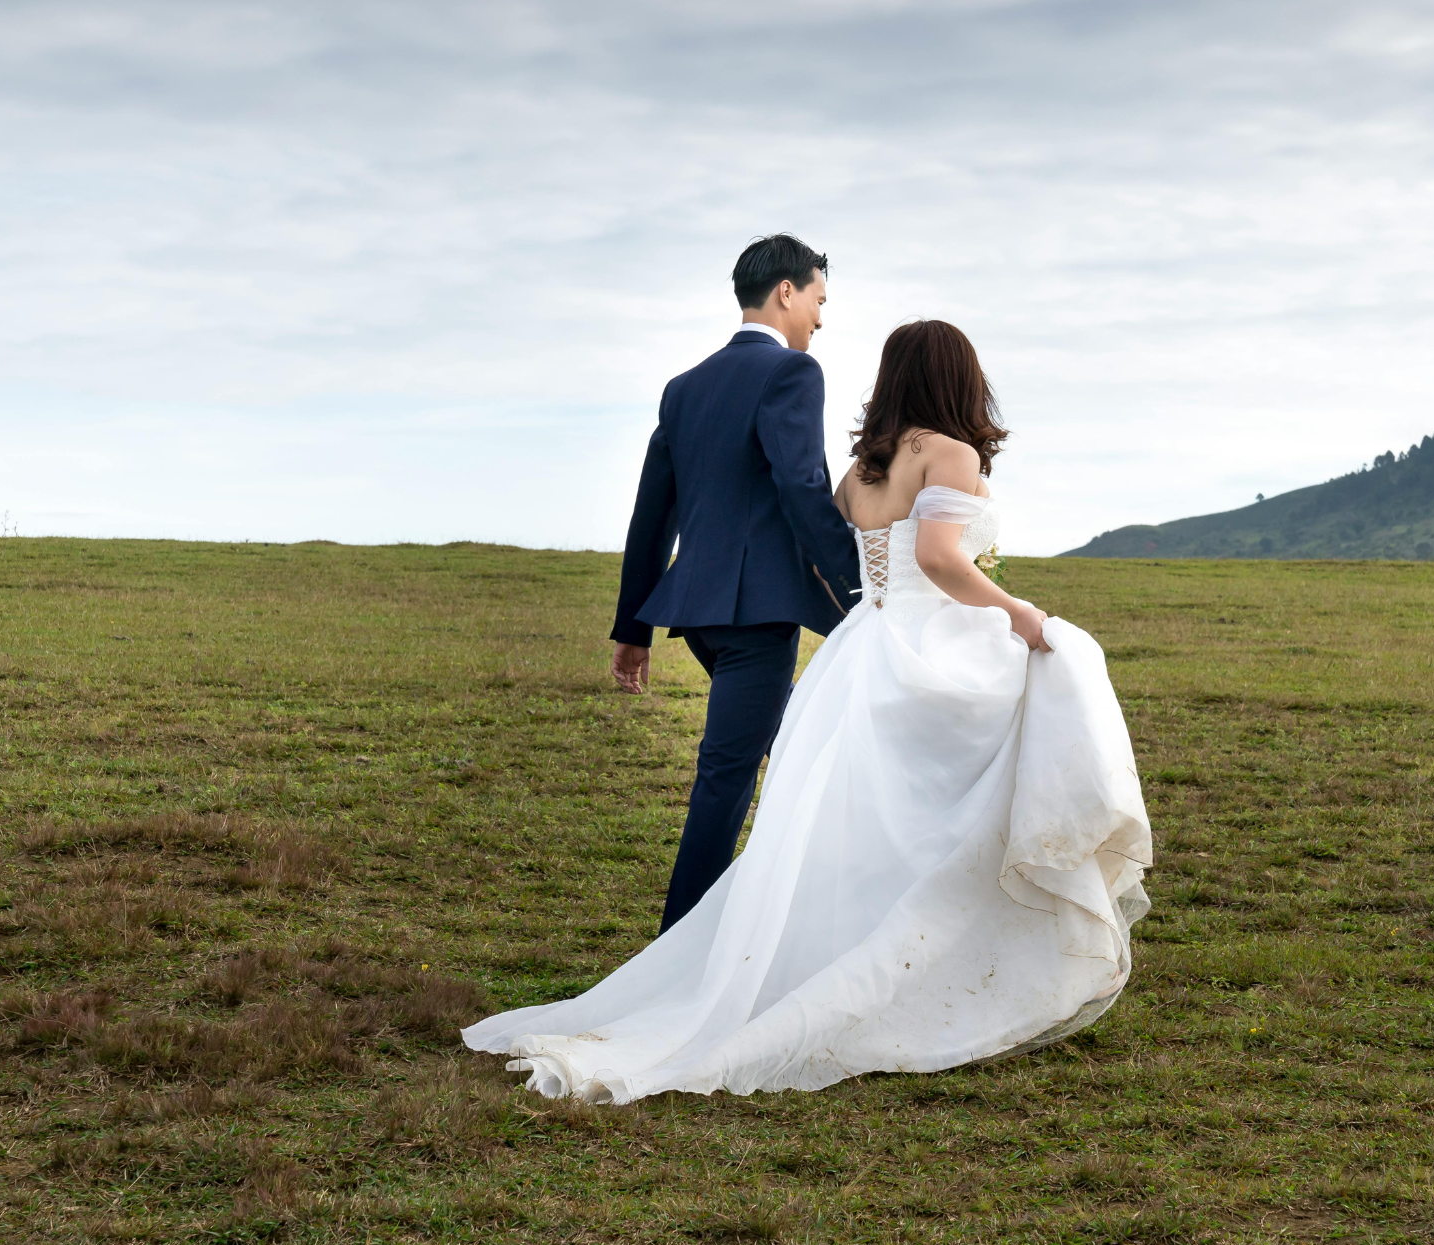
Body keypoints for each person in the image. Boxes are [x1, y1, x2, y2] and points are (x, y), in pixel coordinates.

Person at [464, 318, 1154, 1103]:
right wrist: (1015, 612)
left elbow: (832, 556)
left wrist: (879, 611)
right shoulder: (951, 453)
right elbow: (936, 556)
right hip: (936, 640)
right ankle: (966, 952)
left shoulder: (862, 471)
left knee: (866, 820)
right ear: (960, 378)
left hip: (866, 643)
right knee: (1052, 679)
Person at [606, 234, 861, 932]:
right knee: (725, 781)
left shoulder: (684, 387)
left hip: (704, 617)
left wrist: (634, 630)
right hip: (755, 618)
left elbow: (650, 514)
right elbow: (802, 488)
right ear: (786, 291)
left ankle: (824, 919)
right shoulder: (793, 376)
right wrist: (863, 592)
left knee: (807, 764)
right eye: (818, 298)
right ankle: (677, 955)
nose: (820, 316)